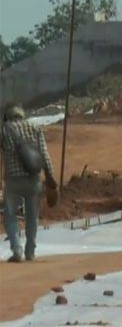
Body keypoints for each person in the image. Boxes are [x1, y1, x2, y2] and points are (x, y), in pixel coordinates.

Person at [1, 104, 58, 262]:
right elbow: (44, 155)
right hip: (34, 179)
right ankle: (30, 251)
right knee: (32, 216)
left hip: (13, 180)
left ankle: (17, 250)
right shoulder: (35, 127)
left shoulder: (4, 130)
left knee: (10, 215)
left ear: (7, 117)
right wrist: (51, 179)